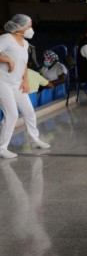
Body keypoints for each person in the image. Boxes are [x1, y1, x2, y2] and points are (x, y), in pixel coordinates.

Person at [0, 14, 50, 158]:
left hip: (17, 83)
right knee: (12, 114)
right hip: (3, 82)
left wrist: (25, 81)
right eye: (28, 26)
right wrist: (7, 60)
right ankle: (2, 148)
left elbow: (23, 65)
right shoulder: (5, 39)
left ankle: (35, 140)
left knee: (29, 112)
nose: (31, 29)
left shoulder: (25, 43)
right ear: (18, 27)